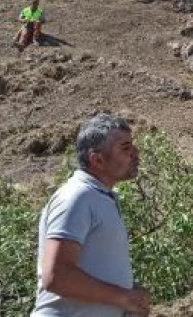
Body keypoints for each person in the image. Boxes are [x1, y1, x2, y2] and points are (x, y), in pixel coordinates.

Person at [32, 114, 150, 317]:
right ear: (97, 160)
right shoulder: (77, 197)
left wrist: (129, 296)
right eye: (125, 148)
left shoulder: (100, 197)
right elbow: (57, 276)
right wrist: (124, 298)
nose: (135, 153)